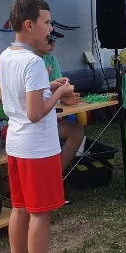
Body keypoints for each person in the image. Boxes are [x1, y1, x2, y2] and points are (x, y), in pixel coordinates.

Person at [0, 0, 79, 253]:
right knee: (39, 215)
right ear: (30, 24)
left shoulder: (7, 55)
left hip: (16, 146)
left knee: (19, 210)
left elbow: (23, 97)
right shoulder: (32, 61)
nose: (50, 28)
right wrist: (59, 91)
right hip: (37, 149)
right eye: (47, 22)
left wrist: (49, 84)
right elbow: (35, 112)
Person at [38, 31, 85, 172]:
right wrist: (59, 93)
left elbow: (54, 91)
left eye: (54, 40)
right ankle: (53, 177)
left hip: (45, 118)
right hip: (33, 123)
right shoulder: (31, 62)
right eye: (49, 39)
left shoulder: (50, 59)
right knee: (75, 131)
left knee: (76, 130)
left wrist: (65, 97)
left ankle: (56, 174)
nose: (53, 43)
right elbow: (35, 108)